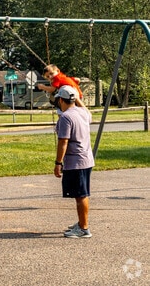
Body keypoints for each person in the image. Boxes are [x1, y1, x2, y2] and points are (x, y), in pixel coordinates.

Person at [53, 85, 94, 238]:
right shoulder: (82, 112)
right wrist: (77, 98)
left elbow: (63, 141)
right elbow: (89, 114)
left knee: (81, 195)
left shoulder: (66, 117)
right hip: (86, 159)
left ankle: (83, 229)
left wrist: (58, 163)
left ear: (61, 100)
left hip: (76, 161)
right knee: (80, 193)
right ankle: (81, 222)